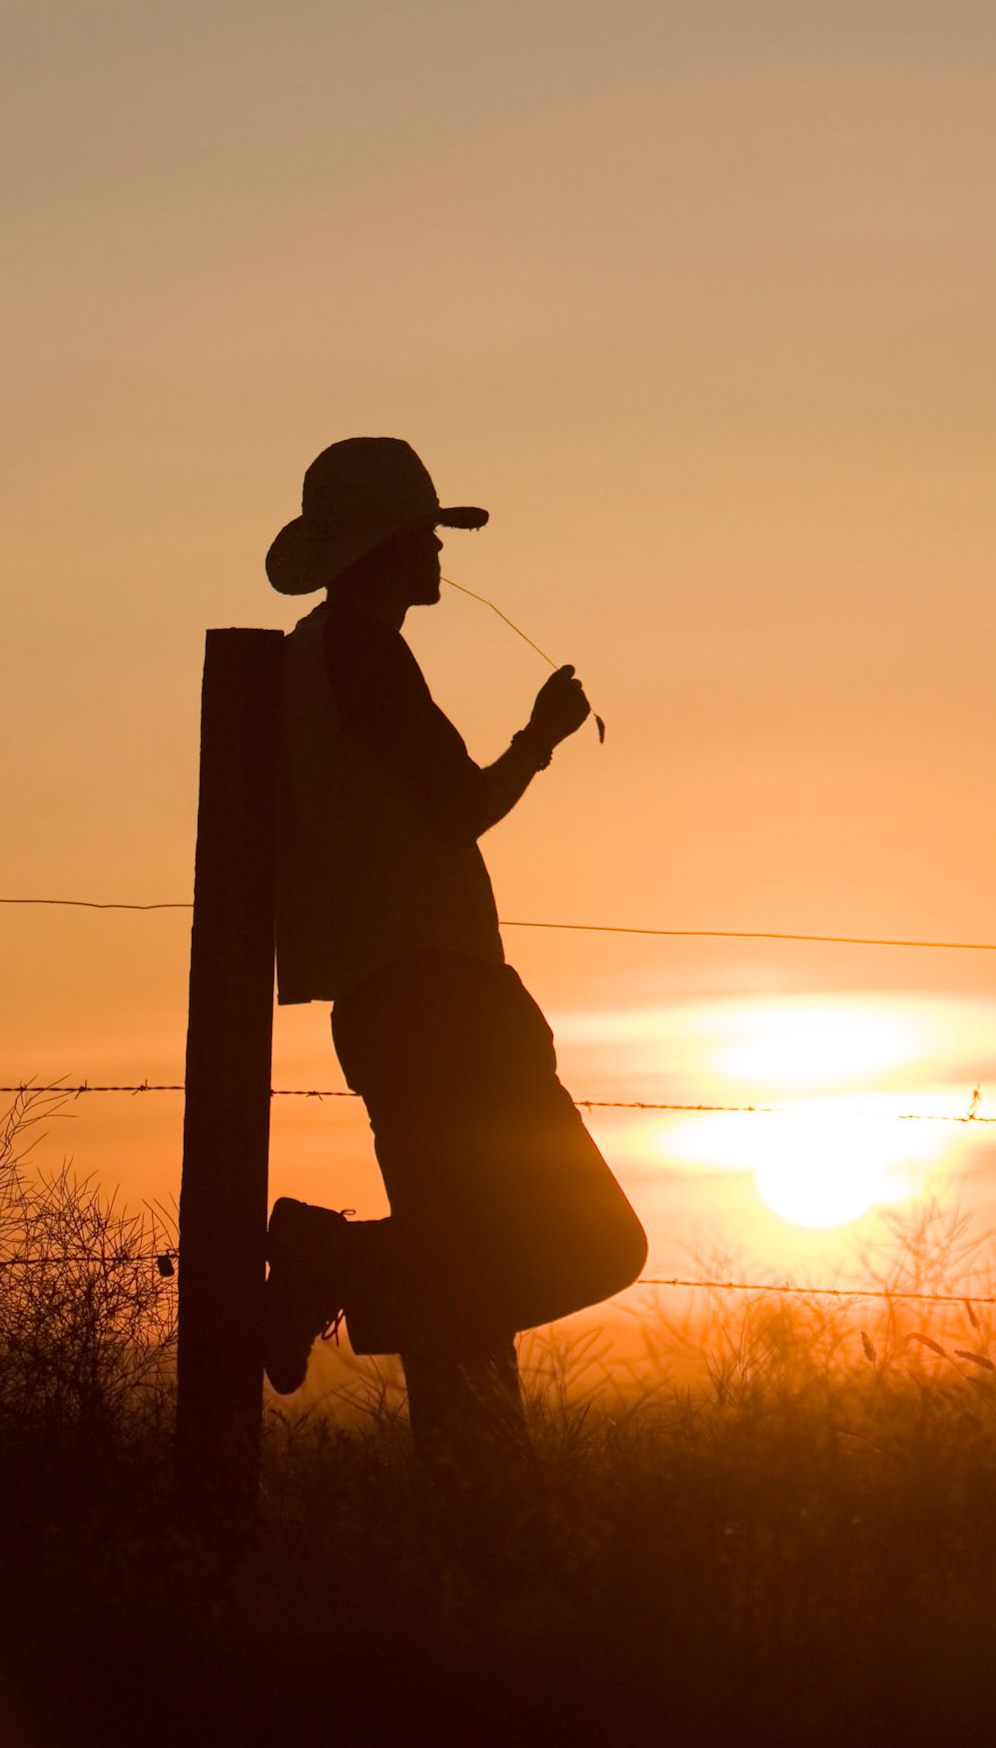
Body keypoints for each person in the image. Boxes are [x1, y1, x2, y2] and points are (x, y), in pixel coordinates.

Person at [262, 437, 647, 1501]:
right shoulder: (365, 653)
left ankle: (476, 1492)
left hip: (385, 998)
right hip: (444, 995)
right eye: (424, 535)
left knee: (464, 1252)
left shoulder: (305, 660)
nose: (438, 552)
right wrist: (539, 738)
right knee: (593, 1242)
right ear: (383, 546)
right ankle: (333, 1266)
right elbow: (461, 806)